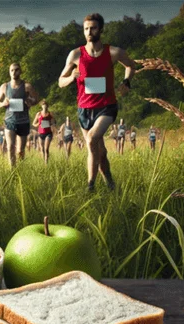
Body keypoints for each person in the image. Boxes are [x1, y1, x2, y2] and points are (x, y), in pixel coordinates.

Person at [58, 13, 136, 191]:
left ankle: (90, 186)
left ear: (101, 29)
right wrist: (71, 77)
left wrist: (126, 82)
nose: (89, 32)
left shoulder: (113, 52)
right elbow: (60, 81)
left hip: (106, 106)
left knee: (92, 140)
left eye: (93, 28)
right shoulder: (76, 54)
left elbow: (131, 65)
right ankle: (110, 183)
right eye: (86, 28)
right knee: (99, 152)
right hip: (84, 109)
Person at [0, 63, 39, 166]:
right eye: (12, 70)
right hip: (10, 121)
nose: (14, 72)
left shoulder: (27, 86)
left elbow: (36, 99)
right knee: (10, 147)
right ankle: (12, 172)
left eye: (16, 70)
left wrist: (30, 101)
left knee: (20, 150)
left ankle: (20, 169)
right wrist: (3, 103)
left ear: (20, 71)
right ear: (9, 72)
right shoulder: (4, 87)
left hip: (23, 121)